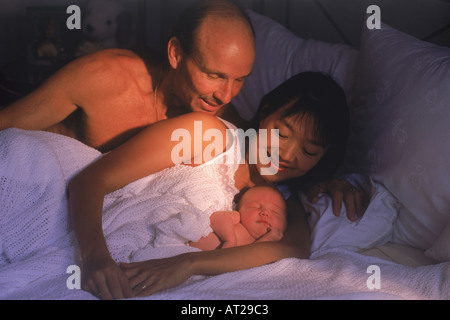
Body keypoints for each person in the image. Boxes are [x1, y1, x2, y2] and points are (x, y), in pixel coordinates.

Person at [67, 71, 356, 299]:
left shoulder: (283, 200)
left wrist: (186, 264)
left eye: (309, 152)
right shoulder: (207, 134)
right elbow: (91, 179)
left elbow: (293, 249)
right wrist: (95, 258)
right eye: (281, 134)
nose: (288, 155)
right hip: (76, 215)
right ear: (266, 111)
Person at [190, 185, 288, 250]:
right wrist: (229, 240)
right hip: (189, 249)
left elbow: (250, 257)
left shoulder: (274, 245)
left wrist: (268, 239)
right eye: (256, 207)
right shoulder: (238, 218)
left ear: (286, 223)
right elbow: (216, 218)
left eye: (275, 212)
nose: (265, 213)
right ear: (240, 209)